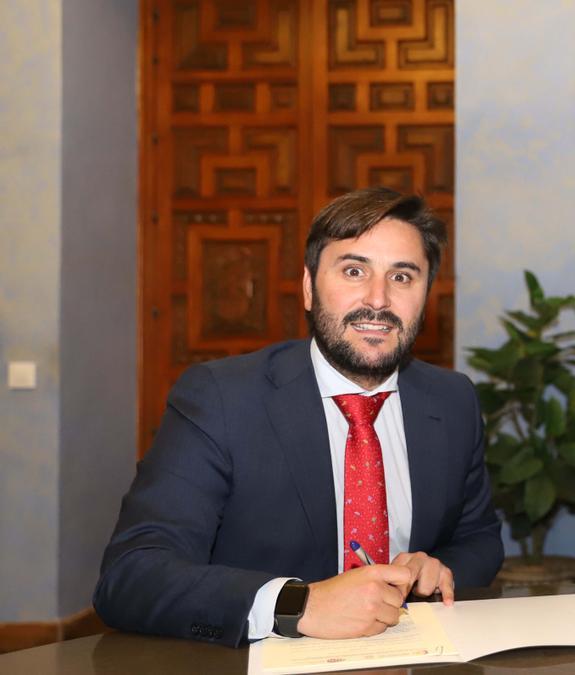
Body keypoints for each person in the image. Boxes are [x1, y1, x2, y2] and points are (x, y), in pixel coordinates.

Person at [95, 188, 503, 646]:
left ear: (427, 294)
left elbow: (480, 538)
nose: (379, 299)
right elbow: (130, 576)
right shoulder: (222, 398)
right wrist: (297, 605)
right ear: (309, 288)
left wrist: (437, 569)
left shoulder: (452, 400)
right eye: (354, 270)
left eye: (403, 277)